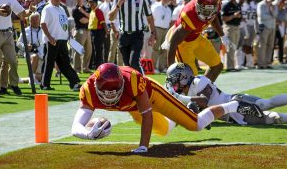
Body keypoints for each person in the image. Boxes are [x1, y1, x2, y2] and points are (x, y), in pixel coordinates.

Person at [71, 63, 263, 153]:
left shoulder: (133, 80)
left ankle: (233, 105)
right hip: (132, 108)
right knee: (162, 130)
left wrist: (143, 147)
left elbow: (146, 113)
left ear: (123, 84)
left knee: (195, 125)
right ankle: (185, 109)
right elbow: (76, 127)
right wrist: (88, 135)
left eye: (116, 92)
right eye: (107, 93)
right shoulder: (88, 90)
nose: (111, 98)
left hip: (151, 97)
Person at [166, 62, 287, 125]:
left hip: (236, 105)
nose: (173, 83)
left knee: (267, 109)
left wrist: (178, 97)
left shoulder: (199, 81)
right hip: (232, 113)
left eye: (175, 78)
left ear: (184, 77)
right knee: (270, 116)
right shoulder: (186, 90)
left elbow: (203, 100)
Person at [165, 0, 234, 82]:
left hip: (197, 37)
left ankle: (202, 89)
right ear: (198, 6)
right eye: (205, 11)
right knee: (191, 79)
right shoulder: (189, 14)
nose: (208, 14)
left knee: (217, 66)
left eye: (210, 11)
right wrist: (171, 69)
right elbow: (173, 43)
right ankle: (188, 93)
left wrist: (222, 35)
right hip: (183, 44)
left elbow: (213, 18)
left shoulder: (216, 5)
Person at [108, 0, 156, 74]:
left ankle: (143, 82)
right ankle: (131, 87)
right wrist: (118, 5)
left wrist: (153, 34)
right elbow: (111, 18)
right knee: (127, 66)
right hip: (123, 35)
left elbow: (150, 17)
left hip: (137, 35)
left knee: (134, 62)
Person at [40, 0, 81, 91]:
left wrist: (68, 35)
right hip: (53, 40)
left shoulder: (62, 9)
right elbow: (43, 23)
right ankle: (45, 84)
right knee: (50, 63)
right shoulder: (47, 8)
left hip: (62, 39)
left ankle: (74, 82)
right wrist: (49, 37)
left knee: (64, 63)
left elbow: (64, 24)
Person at [17, 12, 44, 84]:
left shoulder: (44, 30)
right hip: (30, 54)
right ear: (29, 21)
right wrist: (25, 46)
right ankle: (32, 81)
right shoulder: (25, 30)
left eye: (36, 19)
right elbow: (18, 43)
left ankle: (24, 79)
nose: (34, 21)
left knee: (39, 77)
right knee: (35, 56)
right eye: (32, 20)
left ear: (40, 20)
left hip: (42, 54)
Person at [256, 0, 278, 69]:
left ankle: (267, 63)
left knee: (270, 45)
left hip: (272, 27)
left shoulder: (273, 5)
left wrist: (271, 9)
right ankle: (261, 63)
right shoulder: (261, 4)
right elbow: (262, 16)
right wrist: (271, 16)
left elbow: (275, 15)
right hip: (264, 27)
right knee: (262, 45)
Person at [221, 0, 242, 72]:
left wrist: (239, 17)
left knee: (234, 47)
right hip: (229, 27)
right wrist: (233, 16)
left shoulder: (237, 5)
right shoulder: (226, 5)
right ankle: (230, 67)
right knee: (230, 47)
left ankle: (232, 65)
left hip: (237, 27)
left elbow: (240, 16)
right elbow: (223, 18)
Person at [151, 0, 172, 73]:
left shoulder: (169, 9)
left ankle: (161, 67)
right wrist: (153, 31)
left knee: (164, 49)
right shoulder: (156, 6)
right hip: (157, 28)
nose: (166, 0)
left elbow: (169, 22)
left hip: (166, 29)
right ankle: (153, 67)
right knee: (156, 48)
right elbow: (152, 19)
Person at [71, 0, 92, 74]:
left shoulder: (85, 8)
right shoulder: (75, 10)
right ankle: (77, 68)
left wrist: (83, 12)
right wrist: (89, 18)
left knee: (88, 50)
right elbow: (83, 20)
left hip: (87, 31)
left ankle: (85, 67)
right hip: (79, 31)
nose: (80, 0)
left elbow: (92, 17)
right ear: (76, 0)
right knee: (78, 50)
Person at [86, 0, 108, 69]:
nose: (91, 4)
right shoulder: (93, 11)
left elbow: (103, 22)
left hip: (98, 33)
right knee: (95, 50)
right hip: (93, 32)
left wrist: (106, 32)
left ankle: (98, 67)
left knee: (98, 50)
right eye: (90, 3)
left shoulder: (98, 11)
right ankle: (96, 66)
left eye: (92, 3)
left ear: (96, 3)